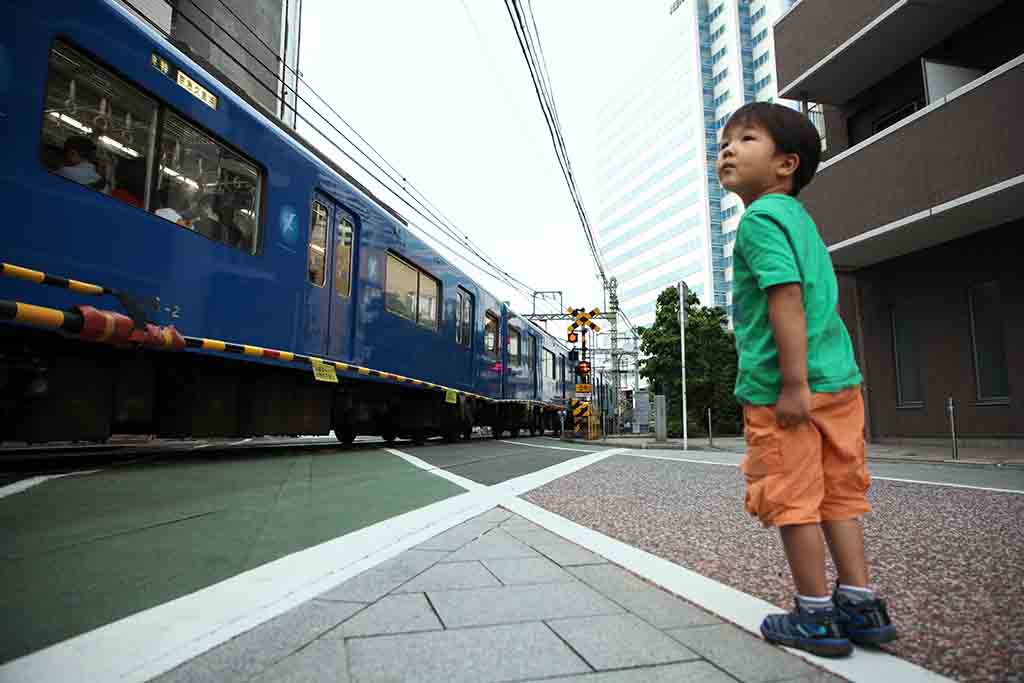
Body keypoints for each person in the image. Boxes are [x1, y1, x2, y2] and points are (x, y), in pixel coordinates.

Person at [717, 102, 897, 658]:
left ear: (785, 164)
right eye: (723, 142)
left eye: (745, 139)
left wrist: (792, 384)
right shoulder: (801, 220)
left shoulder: (760, 220)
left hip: (786, 389)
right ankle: (861, 605)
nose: (726, 150)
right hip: (838, 382)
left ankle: (816, 614)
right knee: (840, 493)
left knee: (793, 496)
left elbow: (785, 295)